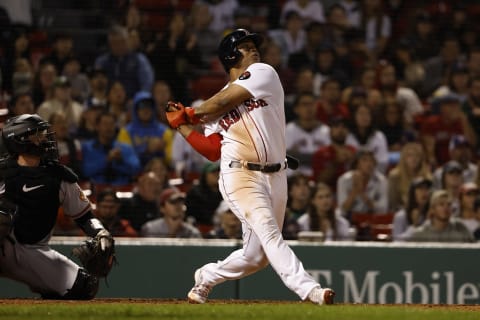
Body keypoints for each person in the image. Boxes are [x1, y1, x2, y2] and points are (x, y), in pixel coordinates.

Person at [167, 29, 334, 305]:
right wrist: (181, 127)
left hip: (277, 174)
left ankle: (206, 276)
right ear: (231, 55)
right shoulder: (213, 104)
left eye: (253, 46)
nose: (253, 50)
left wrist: (189, 114)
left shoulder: (263, 73)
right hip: (239, 173)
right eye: (245, 47)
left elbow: (221, 103)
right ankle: (310, 290)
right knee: (269, 231)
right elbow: (211, 151)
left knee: (256, 258)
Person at [0, 113, 114, 299]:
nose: (44, 138)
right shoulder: (3, 172)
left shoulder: (59, 177)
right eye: (36, 134)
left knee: (84, 286)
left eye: (43, 133)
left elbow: (85, 217)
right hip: (4, 245)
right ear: (19, 139)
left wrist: (100, 232)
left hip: (31, 249)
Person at [81, 112, 141, 187]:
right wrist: (106, 160)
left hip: (122, 189)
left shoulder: (125, 148)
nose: (109, 127)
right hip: (97, 189)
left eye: (112, 124)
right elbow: (85, 171)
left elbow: (136, 169)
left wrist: (120, 161)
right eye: (105, 124)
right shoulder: (87, 147)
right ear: (97, 126)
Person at [407, 190, 474, 243]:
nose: (446, 208)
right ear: (432, 209)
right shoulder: (421, 234)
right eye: (441, 204)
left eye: (449, 204)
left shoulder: (460, 228)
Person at [184, 161, 223, 235]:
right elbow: (190, 215)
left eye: (218, 172)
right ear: (205, 175)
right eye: (213, 172)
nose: (216, 174)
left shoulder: (225, 192)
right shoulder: (195, 193)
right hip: (198, 230)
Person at [392, 177, 432, 241]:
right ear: (412, 193)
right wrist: (414, 226)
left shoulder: (432, 215)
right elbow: (397, 242)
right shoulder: (401, 216)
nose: (424, 192)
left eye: (426, 189)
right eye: (420, 189)